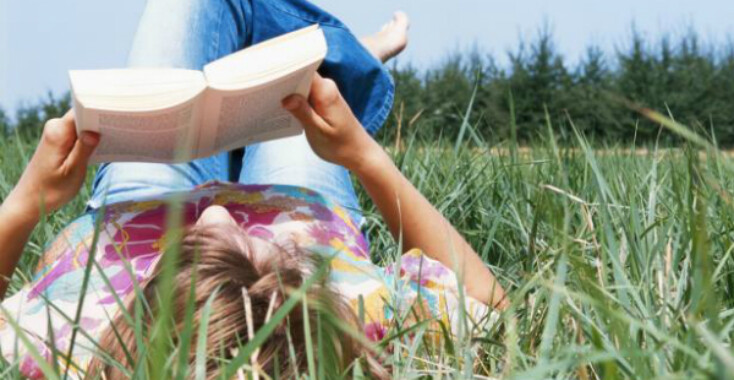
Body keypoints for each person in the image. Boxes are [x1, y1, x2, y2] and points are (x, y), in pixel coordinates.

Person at [0, 0, 507, 378]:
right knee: (303, 90)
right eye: (265, 253)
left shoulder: (70, 341)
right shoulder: (350, 319)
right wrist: (361, 154)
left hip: (138, 204)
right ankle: (347, 63)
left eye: (188, 253)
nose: (217, 215)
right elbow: (492, 304)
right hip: (301, 207)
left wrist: (28, 200)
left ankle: (338, 58)